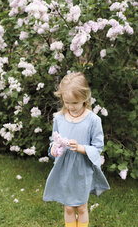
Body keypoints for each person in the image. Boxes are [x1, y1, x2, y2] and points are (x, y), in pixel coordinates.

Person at [43, 72, 110, 227]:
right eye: (66, 102)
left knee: (81, 206)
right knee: (68, 207)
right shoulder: (59, 118)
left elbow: (98, 146)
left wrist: (80, 147)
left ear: (85, 98)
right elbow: (54, 141)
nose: (70, 106)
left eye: (74, 103)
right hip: (65, 169)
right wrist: (53, 148)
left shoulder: (93, 120)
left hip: (82, 170)